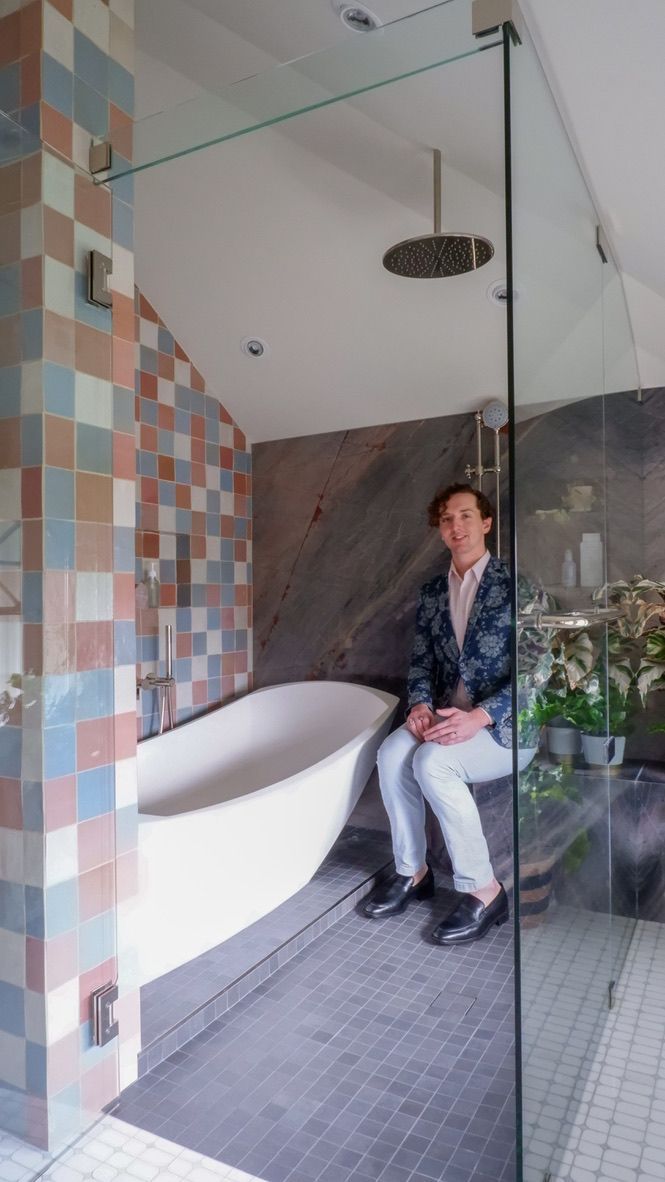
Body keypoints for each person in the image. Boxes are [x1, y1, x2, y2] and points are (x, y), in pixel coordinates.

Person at [362, 482, 523, 944]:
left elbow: (540, 671)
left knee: (433, 763)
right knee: (392, 754)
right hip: (443, 715)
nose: (456, 526)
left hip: (503, 727)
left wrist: (481, 716)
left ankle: (484, 889)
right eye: (447, 519)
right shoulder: (433, 592)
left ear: (486, 523)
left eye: (466, 516)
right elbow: (421, 661)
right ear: (440, 529)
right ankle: (413, 873)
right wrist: (418, 703)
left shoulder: (518, 585)